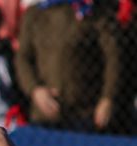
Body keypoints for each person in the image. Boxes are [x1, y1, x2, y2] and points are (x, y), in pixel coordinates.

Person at [15, 0, 120, 132]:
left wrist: (107, 98)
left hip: (85, 112)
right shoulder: (35, 14)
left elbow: (112, 58)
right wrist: (35, 90)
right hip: (45, 112)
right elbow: (23, 57)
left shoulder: (93, 12)